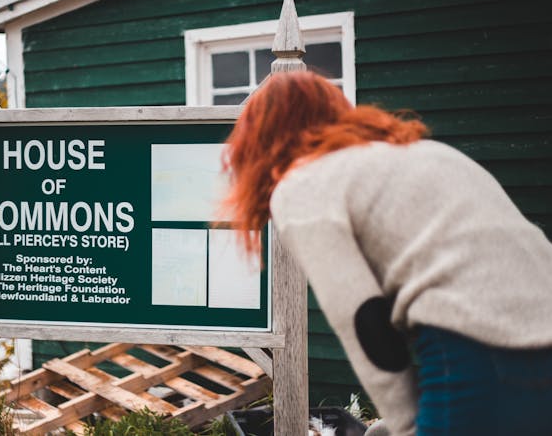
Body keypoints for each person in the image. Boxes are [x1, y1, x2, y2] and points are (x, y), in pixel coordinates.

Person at [220, 71, 552, 436]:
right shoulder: (428, 152)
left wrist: (407, 425)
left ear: (259, 141)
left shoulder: (303, 183)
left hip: (478, 348)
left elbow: (363, 318)